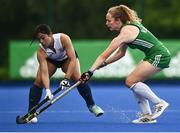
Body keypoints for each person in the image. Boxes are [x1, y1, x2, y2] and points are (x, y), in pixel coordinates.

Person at [80, 5, 170, 124]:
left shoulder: (126, 32)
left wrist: (90, 71)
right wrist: (105, 64)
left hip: (159, 55)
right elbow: (120, 54)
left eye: (109, 20)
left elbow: (103, 55)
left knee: (130, 81)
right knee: (135, 82)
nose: (107, 23)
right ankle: (146, 115)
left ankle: (159, 103)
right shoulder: (126, 29)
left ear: (117, 20)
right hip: (152, 55)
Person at [28, 24, 104, 123]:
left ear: (50, 34)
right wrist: (47, 90)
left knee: (78, 78)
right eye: (39, 40)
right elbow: (44, 73)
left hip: (67, 59)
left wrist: (66, 79)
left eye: (43, 38)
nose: (42, 41)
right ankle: (30, 112)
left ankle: (92, 105)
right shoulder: (41, 52)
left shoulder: (63, 38)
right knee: (38, 82)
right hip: (52, 61)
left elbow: (73, 59)